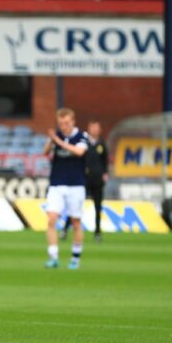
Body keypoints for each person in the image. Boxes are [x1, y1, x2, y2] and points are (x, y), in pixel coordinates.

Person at [44, 108, 88, 270]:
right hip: (57, 183)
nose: (64, 126)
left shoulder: (81, 136)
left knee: (76, 222)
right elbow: (45, 152)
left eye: (67, 123)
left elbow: (79, 152)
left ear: (73, 122)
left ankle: (75, 258)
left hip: (76, 184)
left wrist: (60, 142)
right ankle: (53, 256)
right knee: (51, 219)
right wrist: (51, 141)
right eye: (61, 123)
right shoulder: (57, 135)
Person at [60, 119, 109, 242]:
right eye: (93, 127)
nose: (95, 130)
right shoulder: (83, 142)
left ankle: (97, 232)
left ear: (100, 129)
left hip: (97, 180)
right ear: (89, 128)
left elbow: (105, 161)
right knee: (75, 206)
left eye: (97, 128)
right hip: (84, 179)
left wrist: (105, 173)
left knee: (98, 207)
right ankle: (65, 229)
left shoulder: (102, 144)